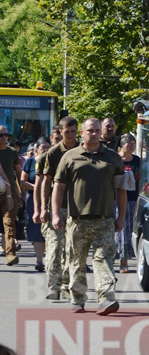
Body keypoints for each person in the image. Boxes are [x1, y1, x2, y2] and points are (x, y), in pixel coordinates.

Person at [51, 117, 126, 315]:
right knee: (76, 261)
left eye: (96, 130)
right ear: (82, 133)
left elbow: (121, 190)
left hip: (105, 219)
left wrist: (121, 217)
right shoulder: (70, 157)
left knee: (104, 259)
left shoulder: (112, 158)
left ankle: (107, 298)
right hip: (77, 220)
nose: (93, 134)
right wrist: (55, 213)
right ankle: (78, 299)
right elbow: (59, 186)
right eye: (90, 130)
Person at [36, 116, 78, 300]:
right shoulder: (52, 154)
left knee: (72, 250)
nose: (69, 135)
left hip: (78, 208)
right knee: (54, 247)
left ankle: (67, 286)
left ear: (78, 131)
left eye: (73, 131)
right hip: (57, 207)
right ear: (60, 132)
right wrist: (43, 209)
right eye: (66, 132)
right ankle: (53, 287)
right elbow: (45, 182)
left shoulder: (83, 150)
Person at [21, 138, 49, 271]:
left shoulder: (54, 162)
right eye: (43, 147)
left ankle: (49, 258)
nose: (45, 150)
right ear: (37, 149)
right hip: (33, 199)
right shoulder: (30, 162)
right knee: (36, 228)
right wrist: (37, 187)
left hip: (51, 199)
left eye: (48, 147)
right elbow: (22, 181)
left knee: (50, 228)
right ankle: (39, 261)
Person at [115, 133, 141, 273]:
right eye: (129, 143)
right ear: (122, 144)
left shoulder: (137, 160)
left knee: (131, 229)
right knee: (121, 229)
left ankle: (133, 257)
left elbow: (142, 178)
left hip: (133, 198)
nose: (131, 145)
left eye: (133, 143)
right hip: (117, 198)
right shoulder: (116, 159)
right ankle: (122, 260)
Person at [0, 125, 21, 265]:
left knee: (9, 223)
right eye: (1, 135)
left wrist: (20, 192)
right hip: (5, 190)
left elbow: (19, 173)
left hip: (10, 192)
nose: (4, 138)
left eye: (6, 135)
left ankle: (10, 253)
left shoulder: (12, 152)